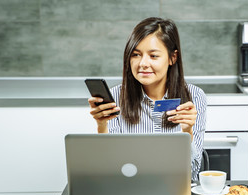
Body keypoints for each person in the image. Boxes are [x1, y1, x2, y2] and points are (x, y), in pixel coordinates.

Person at [88, 17, 207, 180]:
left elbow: (192, 174)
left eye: (153, 56)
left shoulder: (194, 97)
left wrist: (187, 131)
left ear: (173, 57)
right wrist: (102, 126)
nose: (143, 63)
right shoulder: (115, 97)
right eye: (136, 55)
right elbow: (110, 170)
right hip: (128, 190)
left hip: (174, 192)